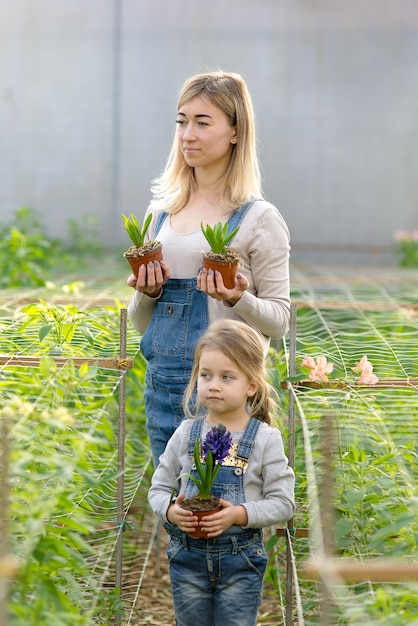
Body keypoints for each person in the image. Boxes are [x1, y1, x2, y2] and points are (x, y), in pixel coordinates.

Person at [127, 71, 291, 466]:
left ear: (235, 132)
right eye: (182, 122)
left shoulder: (259, 218)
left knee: (223, 510)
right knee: (175, 509)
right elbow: (140, 323)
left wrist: (238, 298)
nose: (188, 135)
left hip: (226, 395)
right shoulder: (159, 215)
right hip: (163, 388)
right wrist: (146, 293)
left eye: (203, 123)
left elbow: (280, 319)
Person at [148, 319, 295, 626]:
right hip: (187, 557)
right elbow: (158, 489)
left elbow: (284, 503)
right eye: (206, 375)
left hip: (240, 558)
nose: (213, 384)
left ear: (251, 385)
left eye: (227, 377)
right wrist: (171, 511)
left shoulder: (266, 439)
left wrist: (238, 514)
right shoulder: (185, 433)